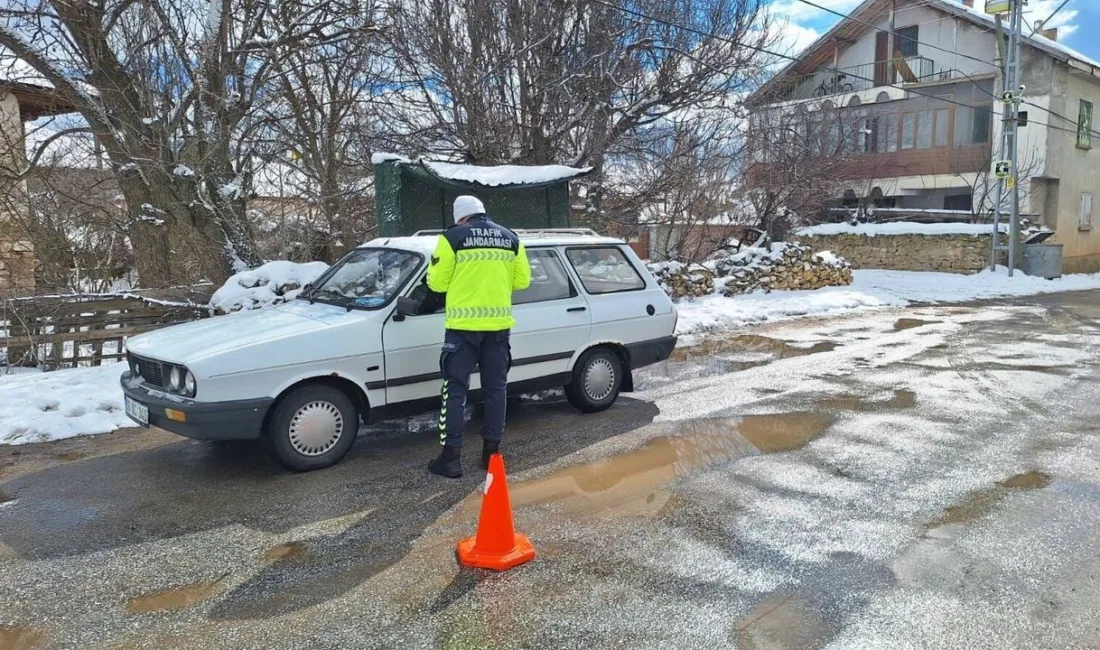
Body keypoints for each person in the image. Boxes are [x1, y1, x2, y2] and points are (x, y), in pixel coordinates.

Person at [425, 195, 532, 478]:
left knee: (455, 389)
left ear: (460, 217)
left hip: (462, 329)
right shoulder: (510, 238)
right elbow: (523, 281)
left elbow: (437, 283)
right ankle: (491, 455)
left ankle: (450, 459)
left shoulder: (452, 237)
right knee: (496, 389)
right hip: (498, 328)